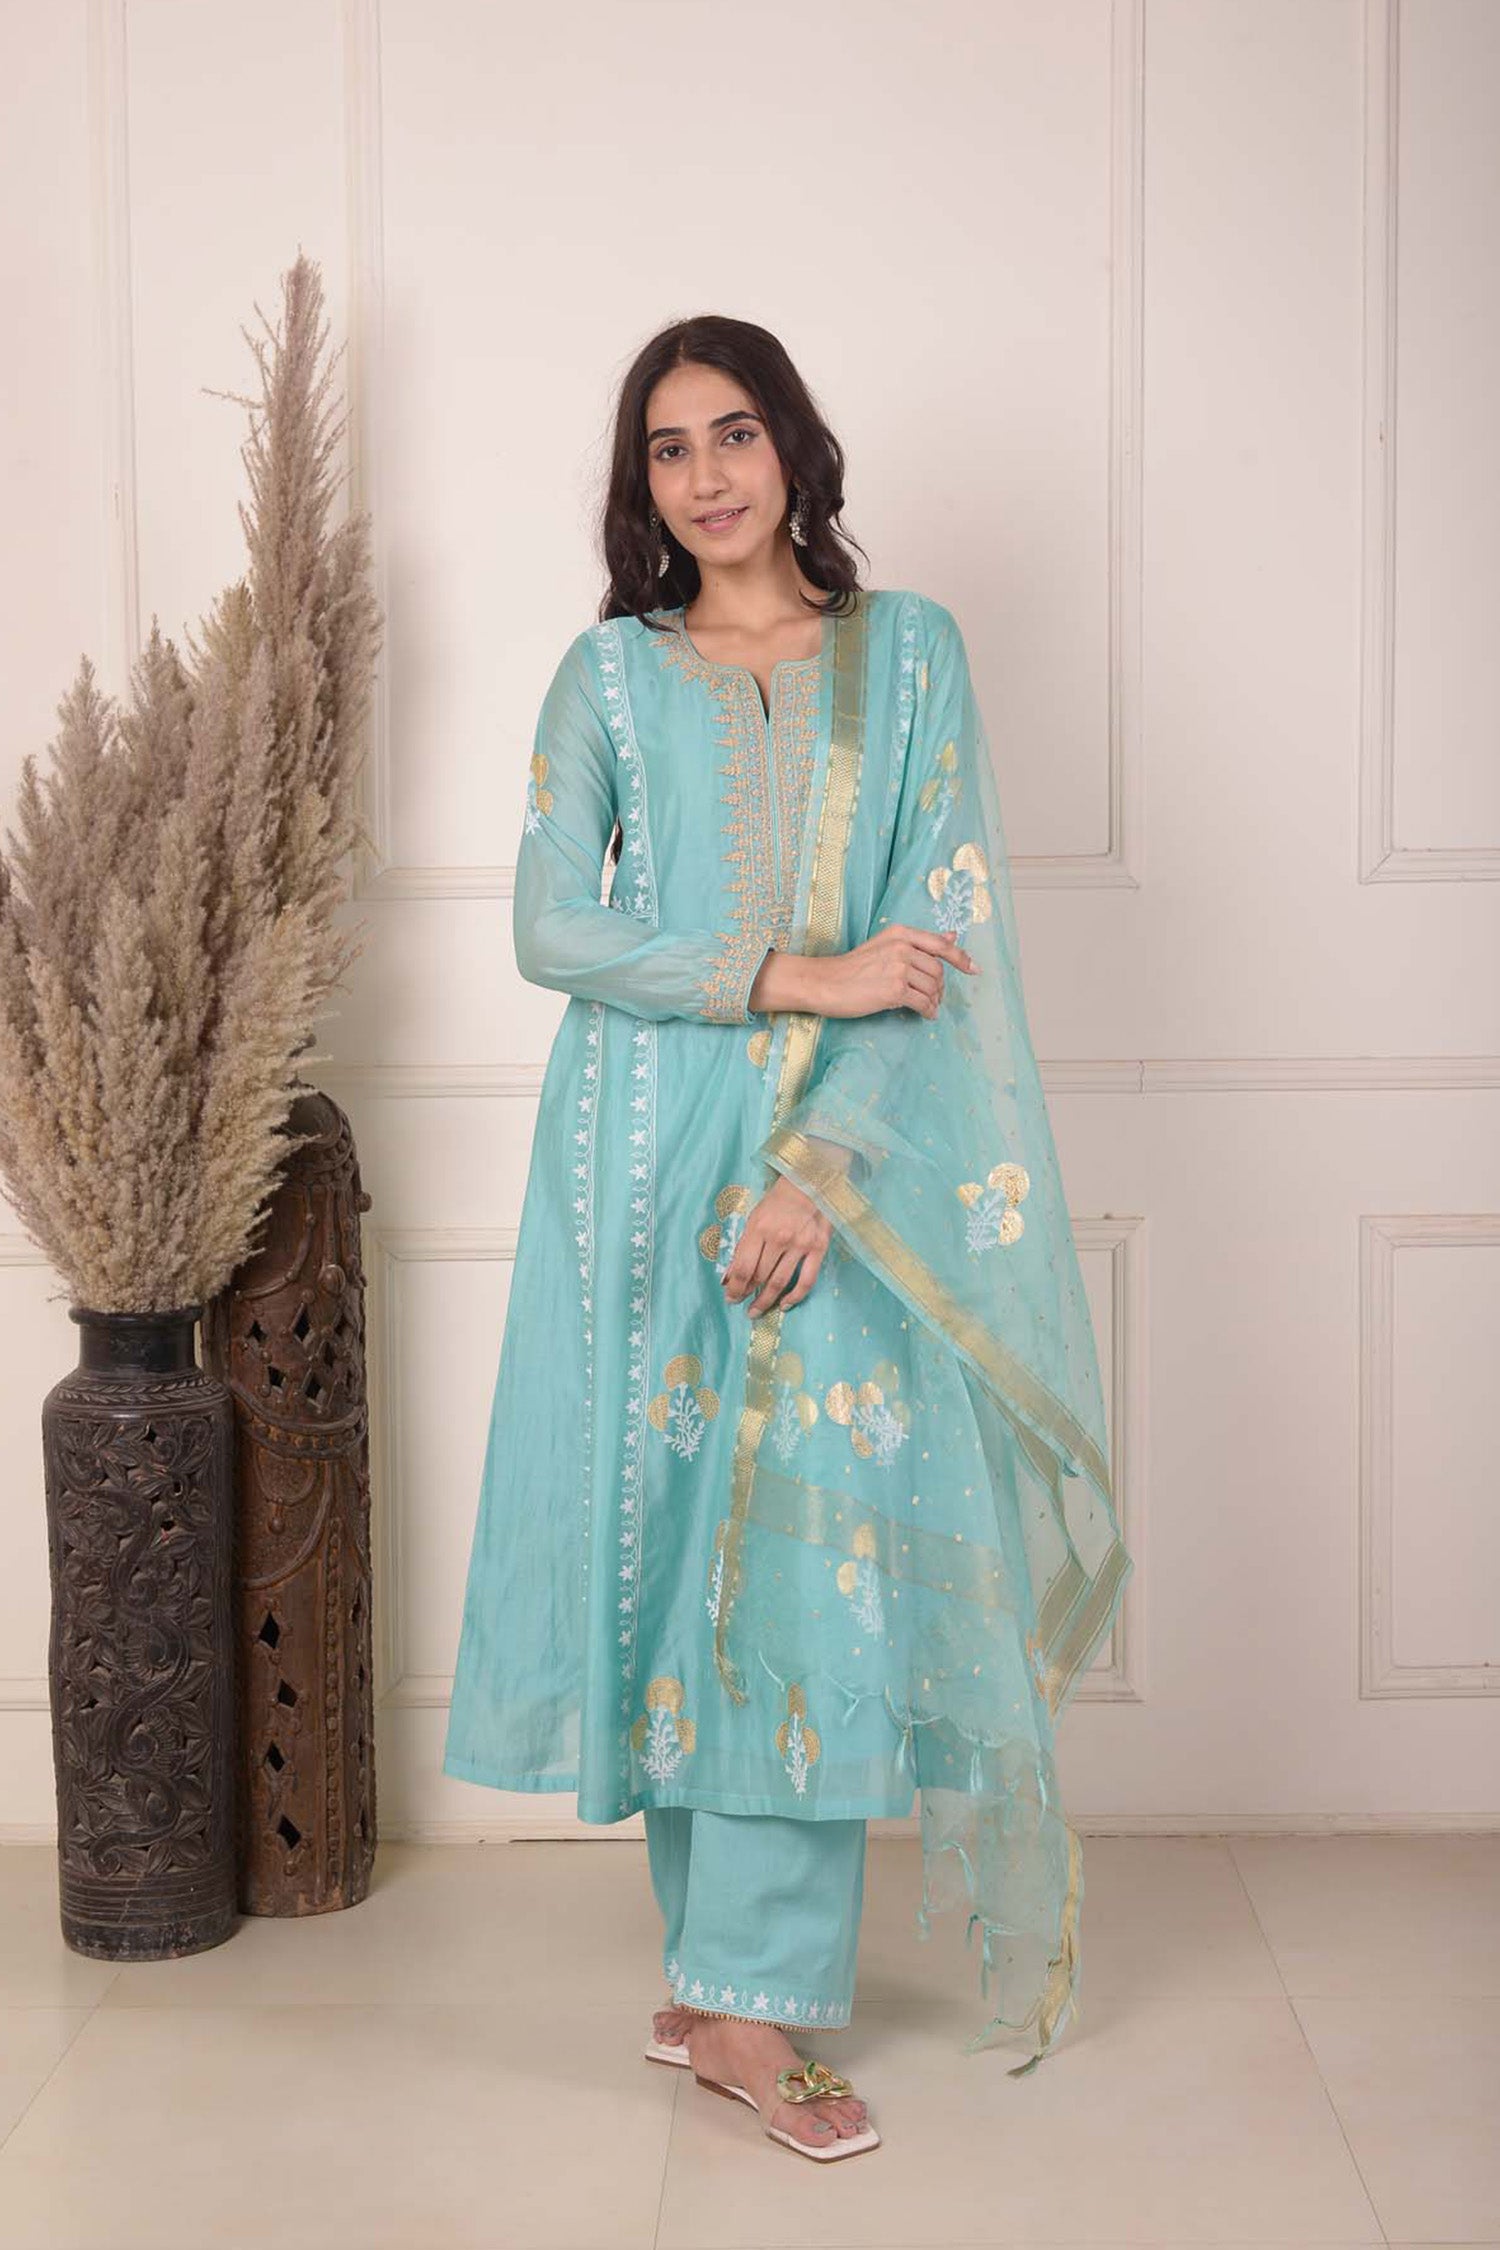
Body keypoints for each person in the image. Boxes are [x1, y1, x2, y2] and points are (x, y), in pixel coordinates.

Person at [443, 315, 1132, 2161]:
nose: (707, 476)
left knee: (797, 1569)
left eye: (734, 433)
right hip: (632, 1163)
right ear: (641, 486)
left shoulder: (908, 658)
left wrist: (823, 1170)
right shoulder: (609, 676)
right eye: (668, 450)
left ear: (794, 447)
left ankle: (748, 1996)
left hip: (830, 1169)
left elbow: (937, 929)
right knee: (674, 1547)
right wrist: (788, 972)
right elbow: (548, 925)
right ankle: (718, 1976)